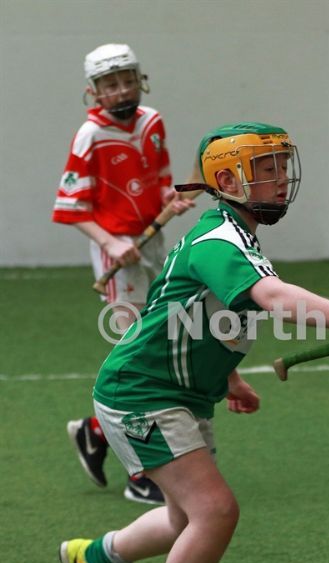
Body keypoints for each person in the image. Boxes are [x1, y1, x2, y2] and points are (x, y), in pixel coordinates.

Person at [58, 121, 329, 563]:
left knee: (184, 521)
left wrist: (229, 377)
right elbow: (276, 299)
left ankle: (93, 559)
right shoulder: (219, 241)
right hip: (142, 393)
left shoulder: (233, 234)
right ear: (227, 180)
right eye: (266, 169)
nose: (281, 179)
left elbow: (197, 315)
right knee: (215, 511)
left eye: (283, 166)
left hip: (181, 394)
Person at [52, 43, 195, 504]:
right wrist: (111, 242)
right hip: (117, 255)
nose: (121, 91)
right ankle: (140, 473)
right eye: (110, 84)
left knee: (161, 345)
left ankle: (95, 432)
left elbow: (161, 178)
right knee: (136, 358)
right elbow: (71, 206)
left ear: (140, 80)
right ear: (94, 91)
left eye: (127, 80)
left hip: (153, 244)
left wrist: (171, 197)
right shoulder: (89, 135)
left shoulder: (152, 121)